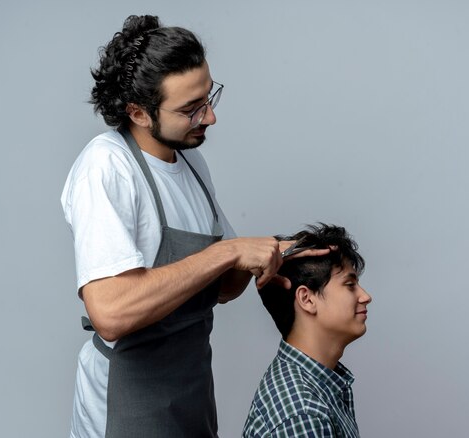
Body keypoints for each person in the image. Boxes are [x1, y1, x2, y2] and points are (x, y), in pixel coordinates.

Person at [61, 15, 327, 438]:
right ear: (138, 113)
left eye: (209, 97)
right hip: (127, 403)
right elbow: (110, 312)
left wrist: (274, 253)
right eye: (191, 109)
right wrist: (227, 252)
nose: (210, 118)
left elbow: (221, 289)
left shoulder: (191, 162)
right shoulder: (107, 166)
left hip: (191, 394)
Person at [243, 224, 372, 438]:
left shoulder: (316, 384)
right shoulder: (303, 413)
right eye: (350, 284)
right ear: (306, 299)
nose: (365, 296)